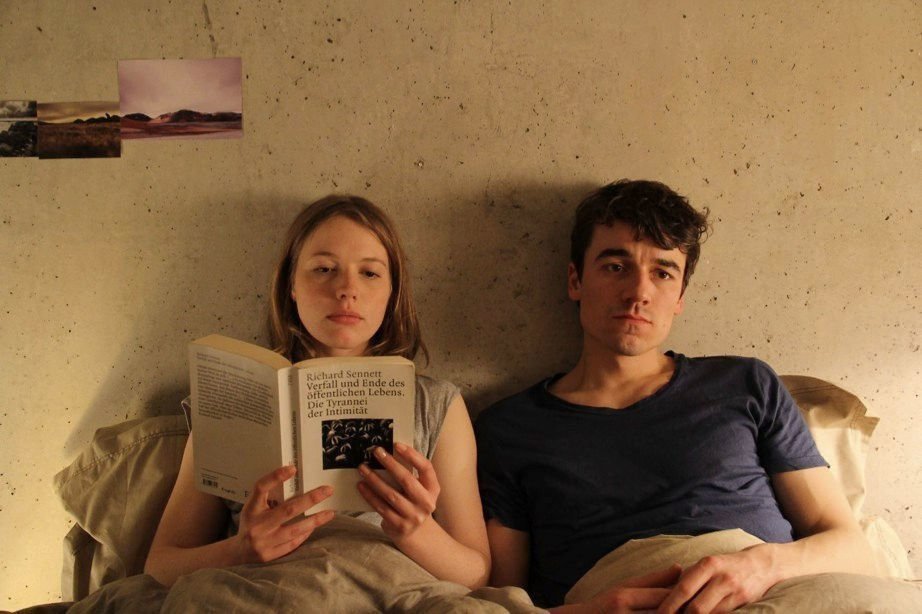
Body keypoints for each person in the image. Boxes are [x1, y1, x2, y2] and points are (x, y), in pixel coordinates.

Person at [475, 179, 881, 612]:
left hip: (781, 594)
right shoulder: (511, 428)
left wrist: (760, 566)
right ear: (575, 280)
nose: (639, 292)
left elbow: (852, 548)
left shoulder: (746, 383)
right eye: (616, 267)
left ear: (680, 296)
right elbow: (502, 604)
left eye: (663, 273)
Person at [145, 195, 490, 589]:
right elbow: (159, 566)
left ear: (392, 292)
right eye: (324, 269)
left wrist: (417, 532)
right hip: (267, 592)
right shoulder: (233, 398)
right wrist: (240, 549)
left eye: (370, 273)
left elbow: (478, 575)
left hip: (387, 592)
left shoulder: (436, 405)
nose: (346, 289)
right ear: (291, 285)